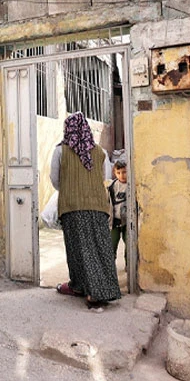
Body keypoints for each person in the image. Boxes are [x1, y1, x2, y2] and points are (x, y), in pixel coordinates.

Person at [50, 112, 122, 309]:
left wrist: (71, 189)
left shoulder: (60, 151)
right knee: (99, 247)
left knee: (78, 249)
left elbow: (55, 180)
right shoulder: (100, 152)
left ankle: (88, 291)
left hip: (72, 206)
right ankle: (100, 288)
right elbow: (105, 178)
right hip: (98, 206)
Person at [108, 160, 128, 268]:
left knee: (130, 246)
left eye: (124, 172)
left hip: (128, 222)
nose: (122, 175)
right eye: (118, 173)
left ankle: (129, 268)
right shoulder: (112, 186)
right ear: (115, 173)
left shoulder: (132, 186)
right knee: (111, 245)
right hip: (114, 221)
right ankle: (110, 270)